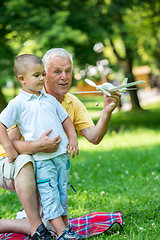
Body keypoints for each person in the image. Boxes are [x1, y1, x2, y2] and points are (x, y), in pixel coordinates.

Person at [0, 48, 121, 237]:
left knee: (55, 212)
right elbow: (12, 144)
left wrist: (106, 111)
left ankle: (37, 220)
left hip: (42, 164)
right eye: (57, 71)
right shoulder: (25, 103)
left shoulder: (69, 102)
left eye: (68, 71)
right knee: (48, 221)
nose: (65, 77)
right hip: (14, 164)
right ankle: (24, 223)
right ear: (44, 75)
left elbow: (94, 137)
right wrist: (37, 146)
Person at [0, 54, 81, 240]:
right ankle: (61, 233)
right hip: (42, 161)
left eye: (43, 75)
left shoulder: (49, 99)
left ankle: (65, 229)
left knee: (62, 193)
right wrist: (9, 148)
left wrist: (73, 137)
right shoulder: (18, 104)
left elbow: (65, 118)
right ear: (22, 79)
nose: (42, 79)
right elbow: (1, 124)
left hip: (61, 157)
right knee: (49, 195)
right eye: (36, 75)